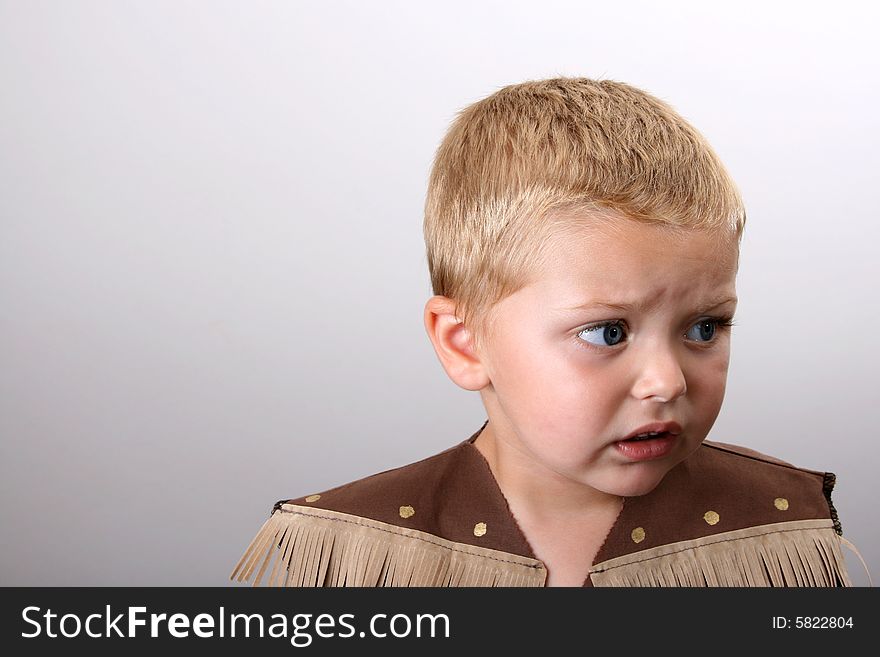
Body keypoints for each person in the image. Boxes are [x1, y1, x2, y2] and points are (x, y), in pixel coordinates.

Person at [231, 76, 864, 587]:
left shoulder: (779, 528)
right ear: (464, 342)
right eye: (607, 333)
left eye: (705, 326)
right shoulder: (357, 550)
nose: (667, 381)